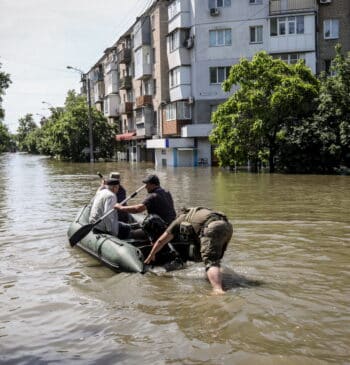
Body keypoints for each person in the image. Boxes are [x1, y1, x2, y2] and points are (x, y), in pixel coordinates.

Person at [144, 207, 233, 294]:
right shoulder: (196, 212)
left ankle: (218, 290)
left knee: (211, 261)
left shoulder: (180, 219)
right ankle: (217, 280)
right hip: (227, 226)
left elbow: (161, 240)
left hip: (213, 227)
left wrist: (151, 254)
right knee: (214, 260)